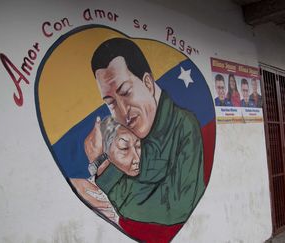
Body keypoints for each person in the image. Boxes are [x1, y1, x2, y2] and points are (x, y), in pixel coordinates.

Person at [84, 38, 205, 229]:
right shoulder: (118, 133)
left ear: (148, 83)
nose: (123, 111)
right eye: (110, 102)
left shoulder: (183, 126)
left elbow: (177, 207)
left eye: (125, 92)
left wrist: (103, 168)